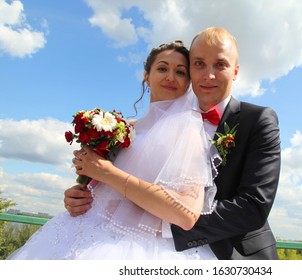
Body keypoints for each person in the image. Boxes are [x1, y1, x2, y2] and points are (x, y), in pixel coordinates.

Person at [65, 27, 281, 260]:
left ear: (236, 71)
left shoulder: (258, 119)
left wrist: (163, 221)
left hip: (233, 253)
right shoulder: (153, 125)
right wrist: (82, 199)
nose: (208, 75)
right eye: (198, 64)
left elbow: (253, 206)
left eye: (220, 65)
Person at [8, 40, 218, 260]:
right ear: (146, 76)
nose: (170, 77)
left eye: (180, 72)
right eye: (162, 68)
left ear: (188, 83)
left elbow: (185, 214)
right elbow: (104, 186)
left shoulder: (189, 131)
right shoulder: (125, 128)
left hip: (134, 248)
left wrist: (107, 172)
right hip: (84, 228)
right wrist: (78, 196)